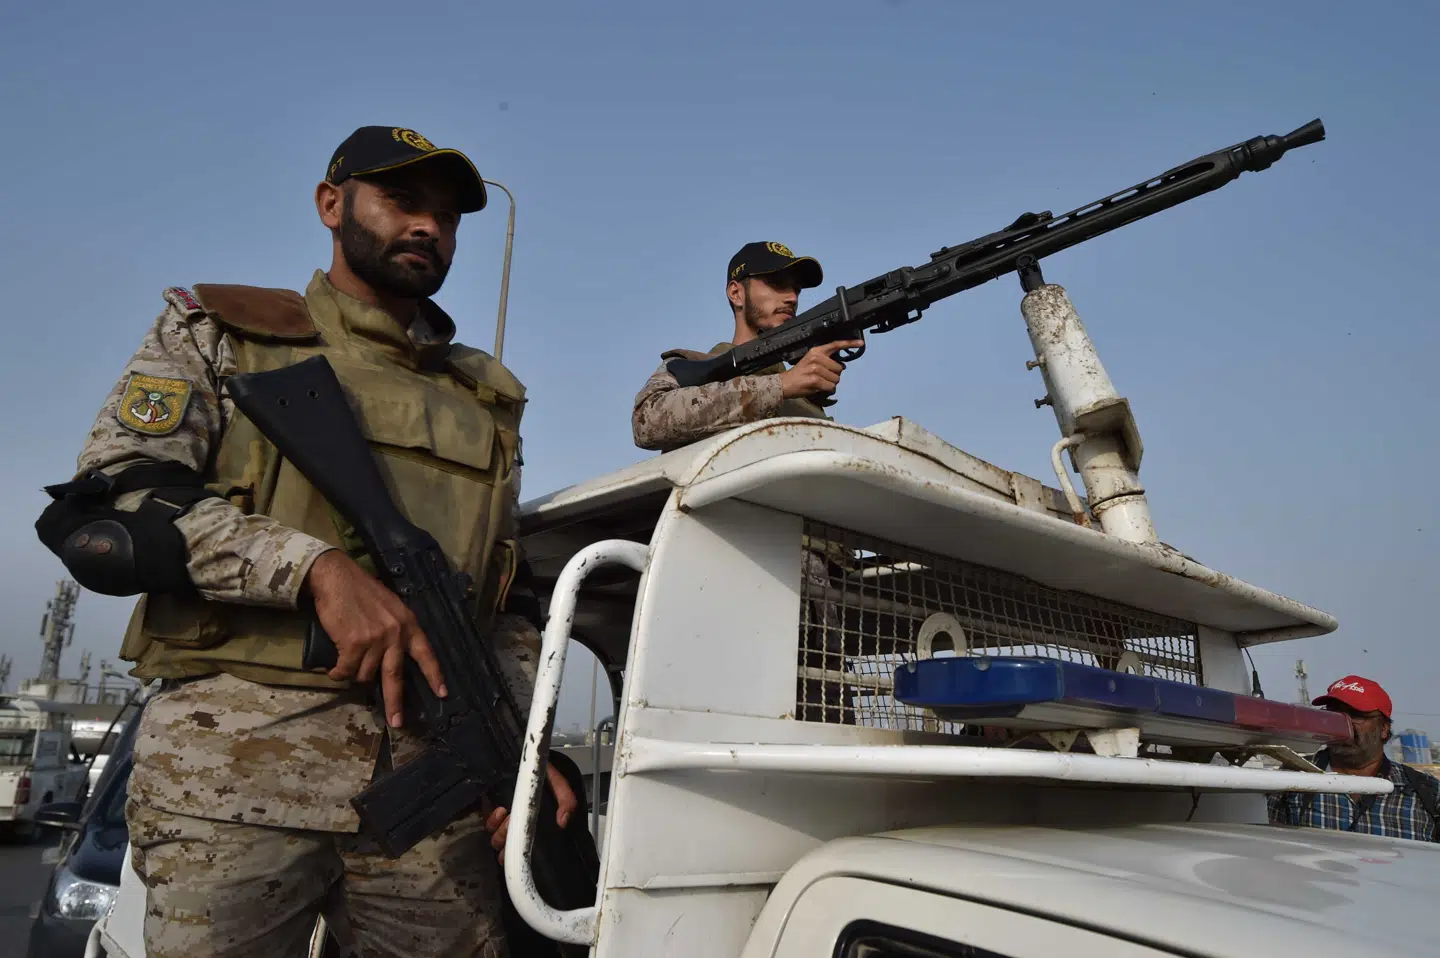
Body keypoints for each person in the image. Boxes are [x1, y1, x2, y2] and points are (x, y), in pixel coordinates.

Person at [35, 126, 578, 957]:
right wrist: (311, 569)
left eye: (446, 215)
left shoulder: (484, 397)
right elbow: (118, 496)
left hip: (428, 799)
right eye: (403, 202)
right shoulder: (222, 332)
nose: (429, 227)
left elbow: (503, 605)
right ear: (332, 206)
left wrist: (521, 751)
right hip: (234, 776)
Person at [631, 241, 864, 452]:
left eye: (796, 289)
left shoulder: (804, 392)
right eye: (776, 284)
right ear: (736, 293)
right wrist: (780, 387)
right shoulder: (692, 366)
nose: (792, 297)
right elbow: (647, 421)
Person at [1269, 674, 1439, 842]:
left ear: (1384, 729)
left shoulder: (1424, 791)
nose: (1341, 723)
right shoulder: (1294, 775)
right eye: (1333, 713)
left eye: (1355, 714)